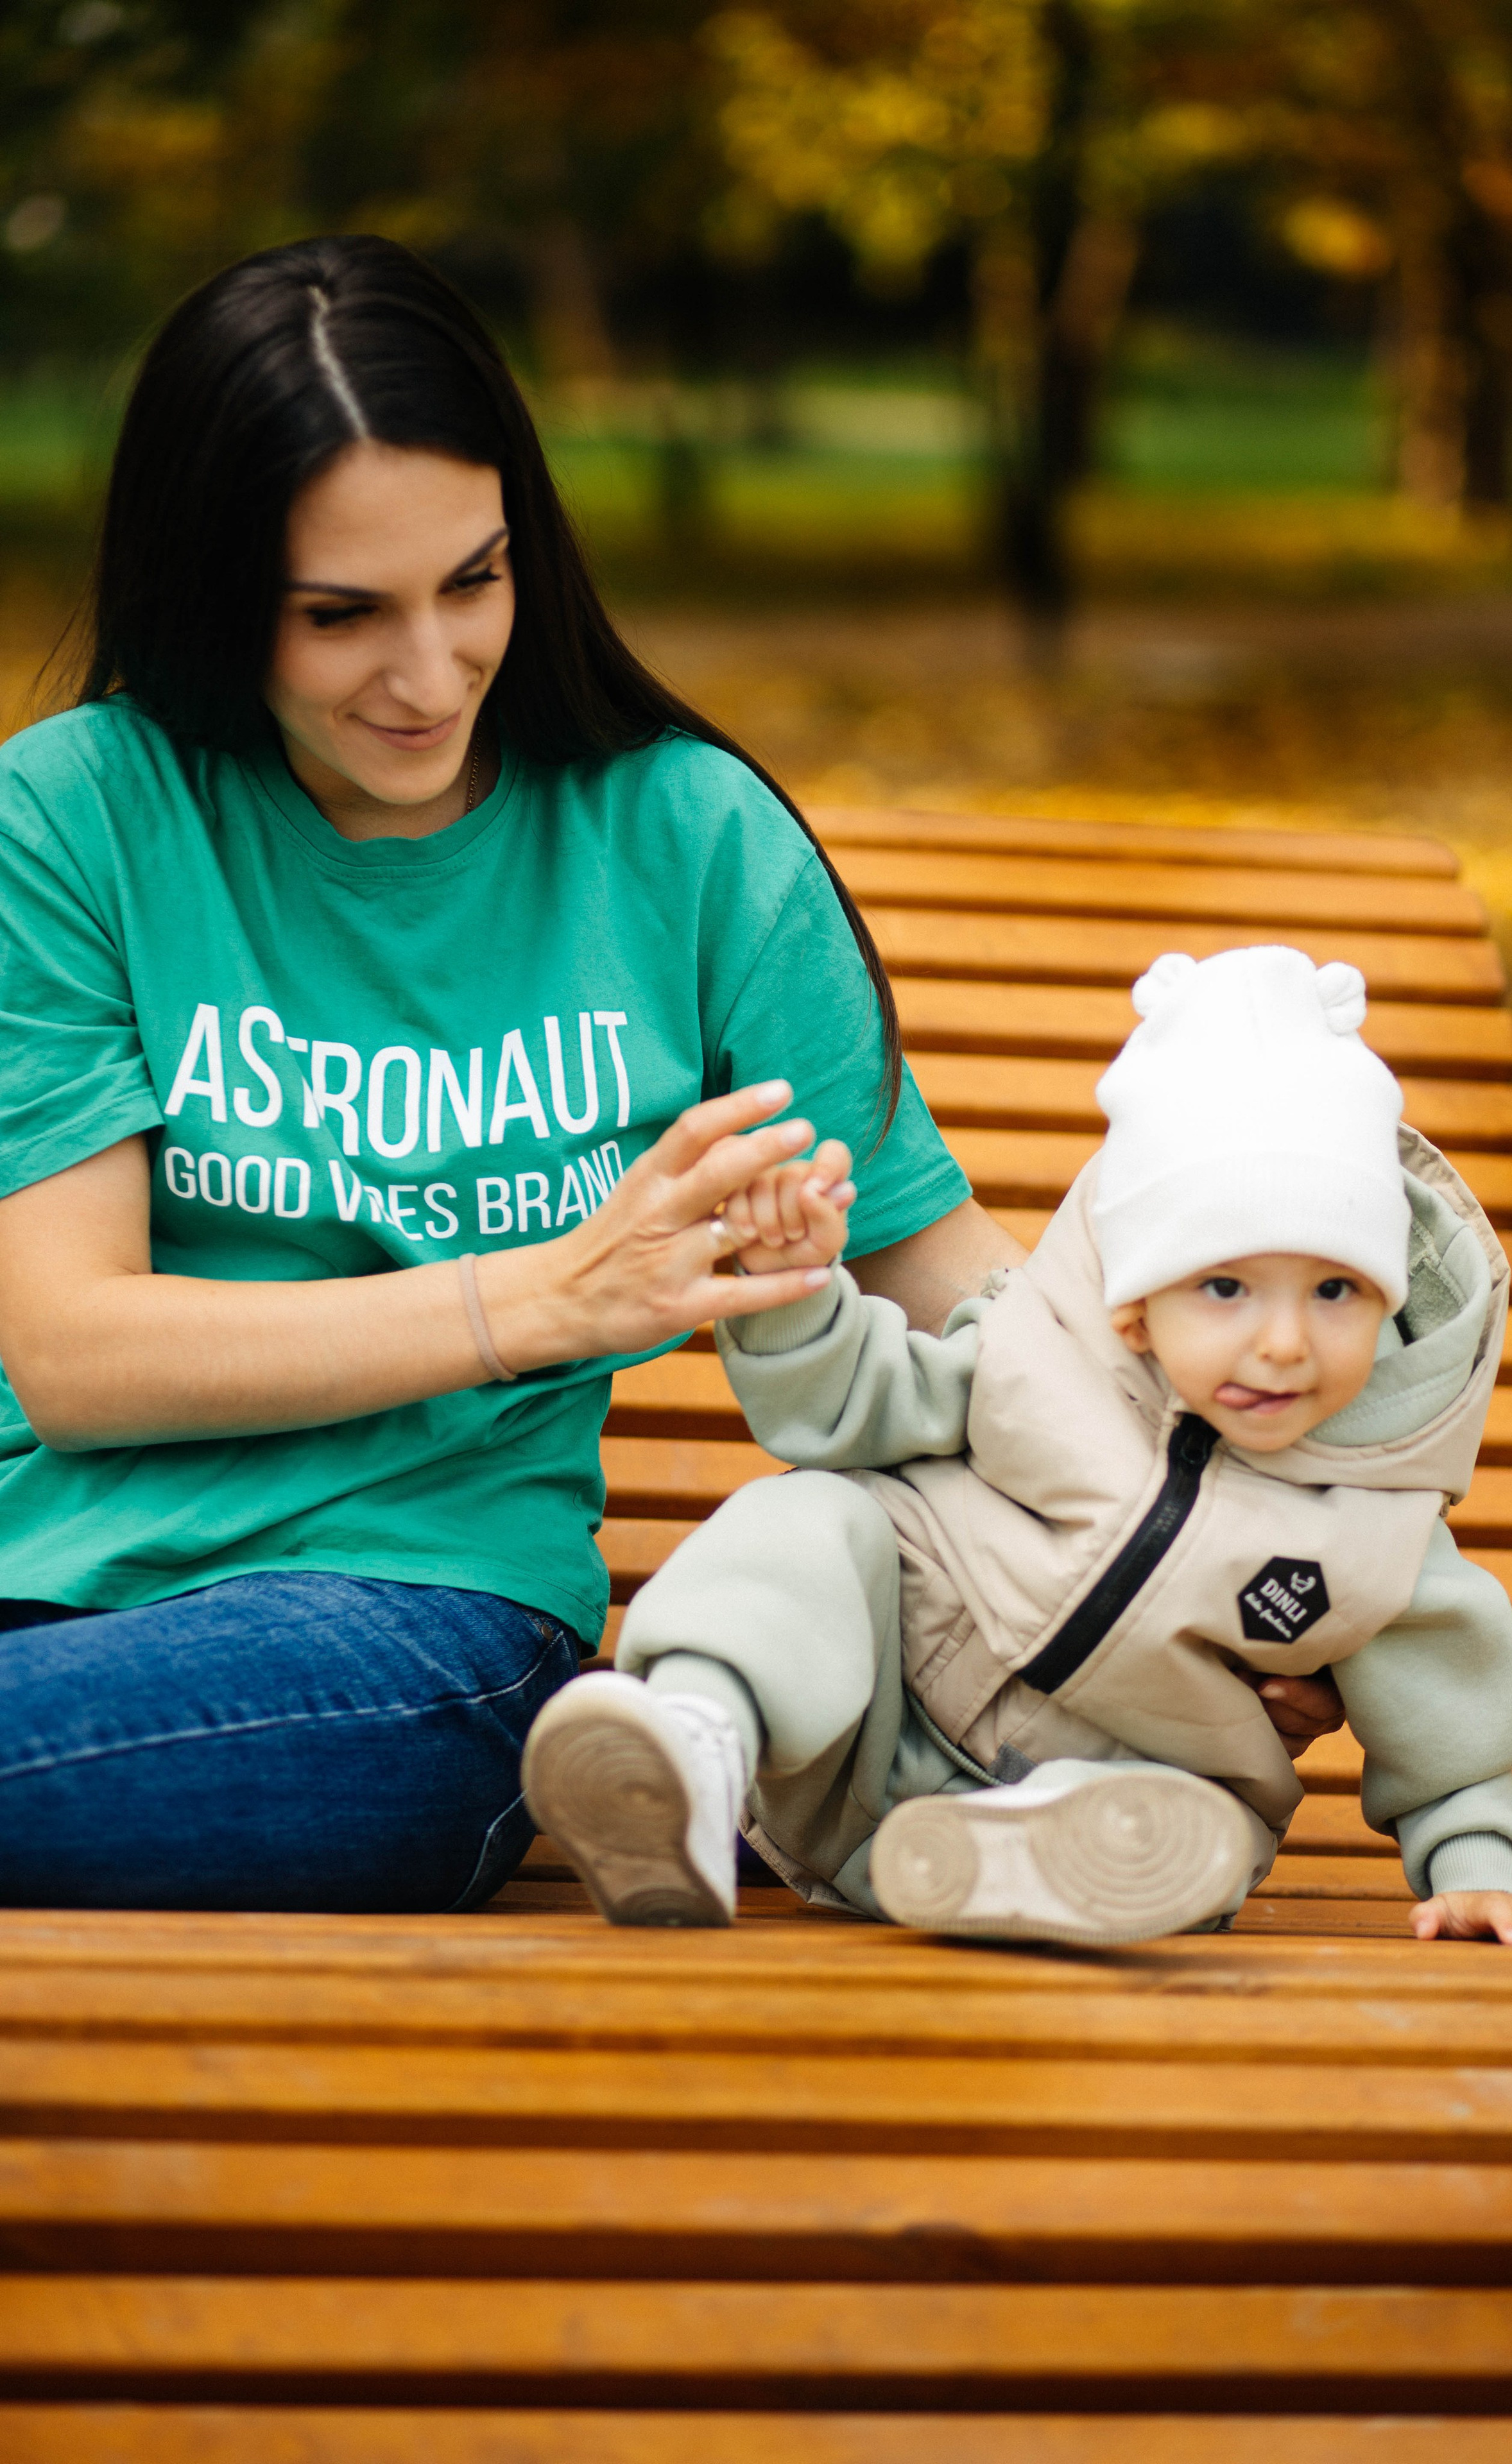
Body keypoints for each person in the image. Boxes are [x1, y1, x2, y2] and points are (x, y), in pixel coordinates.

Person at [0, 230, 1037, 1912]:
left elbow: (950, 1287)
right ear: (207, 590)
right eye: (341, 617)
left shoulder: (684, 842)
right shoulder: (75, 818)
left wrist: (1215, 1520)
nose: (429, 678)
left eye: (470, 582)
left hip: (401, 1625)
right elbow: (76, 1352)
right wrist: (548, 1297)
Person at [524, 944, 1512, 1951]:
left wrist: (1474, 1864)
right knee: (813, 1515)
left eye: (1335, 1291)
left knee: (1194, 1828)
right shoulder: (1034, 1356)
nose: (1282, 1341)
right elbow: (845, 1406)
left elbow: (1450, 1711)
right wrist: (798, 1296)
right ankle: (699, 1743)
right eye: (1224, 1287)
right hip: (856, 1731)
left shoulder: (1383, 1529)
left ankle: (1021, 1863)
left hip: (1123, 1794)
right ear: (1134, 1305)